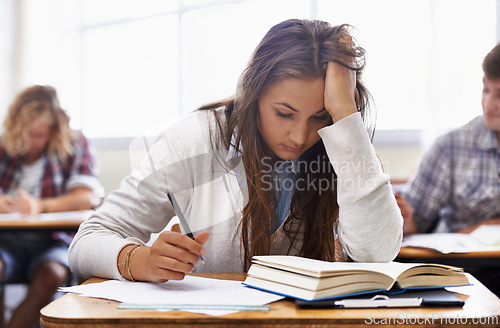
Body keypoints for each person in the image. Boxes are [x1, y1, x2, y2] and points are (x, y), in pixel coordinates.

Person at [69, 19, 403, 284]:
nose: (301, 136)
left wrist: (345, 116)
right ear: (252, 96)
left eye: (320, 116)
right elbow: (87, 241)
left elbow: (378, 254)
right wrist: (139, 259)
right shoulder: (197, 138)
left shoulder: (343, 141)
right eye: (284, 113)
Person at [396, 43, 500, 295]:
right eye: (485, 90)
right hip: (466, 275)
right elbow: (415, 221)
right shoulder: (450, 147)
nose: (489, 103)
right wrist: (401, 217)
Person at [0, 85, 104, 328]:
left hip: (54, 239)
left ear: (54, 130)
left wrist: (40, 206)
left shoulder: (75, 144)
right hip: (7, 240)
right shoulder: (5, 147)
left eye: (39, 135)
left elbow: (86, 197)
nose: (30, 142)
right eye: (25, 133)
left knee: (53, 275)